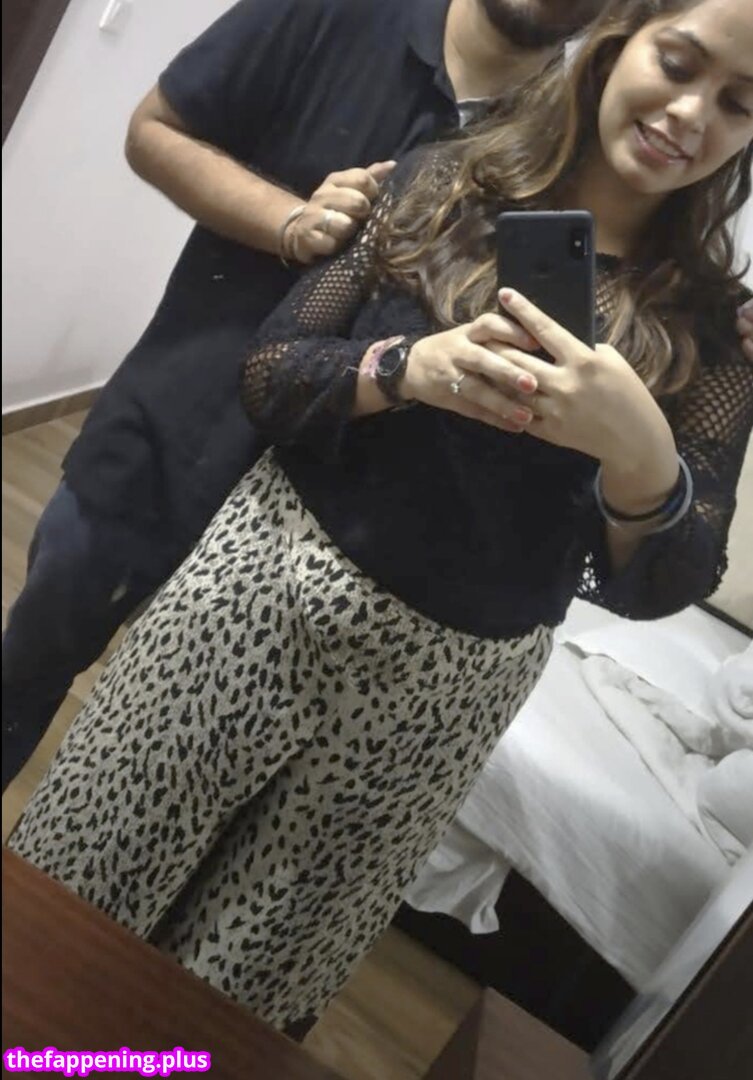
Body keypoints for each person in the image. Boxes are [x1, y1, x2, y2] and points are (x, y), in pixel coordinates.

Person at [9, 0, 753, 1045]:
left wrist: (641, 457)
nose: (691, 114)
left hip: (438, 700)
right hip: (253, 601)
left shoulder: (713, 334)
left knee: (243, 988)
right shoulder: (446, 181)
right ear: (619, 41)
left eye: (739, 103)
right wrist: (406, 369)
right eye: (677, 61)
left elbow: (660, 581)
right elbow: (273, 374)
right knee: (76, 889)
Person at [1, 0, 609, 794]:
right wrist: (290, 221)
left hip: (323, 545)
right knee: (27, 673)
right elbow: (154, 129)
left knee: (161, 772)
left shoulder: (569, 139)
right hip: (171, 439)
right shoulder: (335, 10)